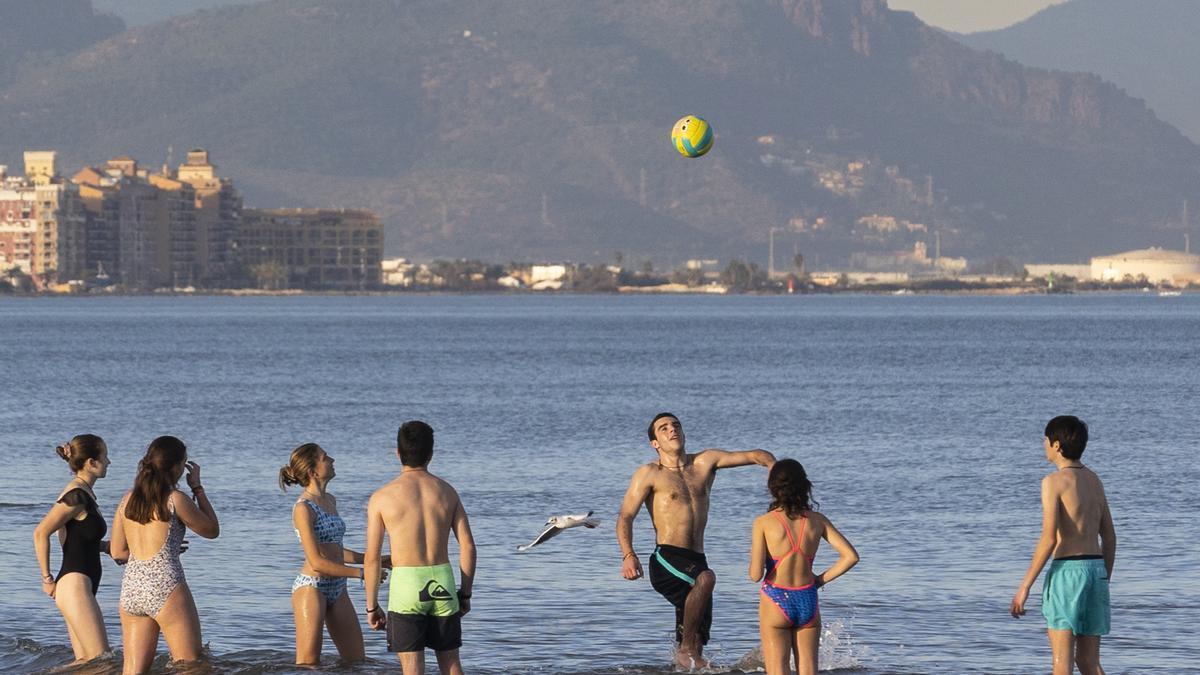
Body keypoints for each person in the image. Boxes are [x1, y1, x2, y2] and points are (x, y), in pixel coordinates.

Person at [617, 412, 775, 669]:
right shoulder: (649, 473)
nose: (672, 430)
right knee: (706, 579)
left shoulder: (704, 462)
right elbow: (625, 516)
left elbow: (756, 454)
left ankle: (686, 660)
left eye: (675, 425)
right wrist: (628, 555)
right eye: (664, 428)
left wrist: (772, 466)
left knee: (698, 637)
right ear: (655, 443)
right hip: (666, 558)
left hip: (696, 558)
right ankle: (686, 651)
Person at [365, 420, 475, 675]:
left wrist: (372, 606)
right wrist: (465, 594)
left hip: (407, 584)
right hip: (442, 581)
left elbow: (372, 558)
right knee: (451, 665)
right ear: (431, 454)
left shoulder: (382, 497)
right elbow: (468, 546)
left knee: (413, 669)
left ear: (398, 453)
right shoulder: (447, 492)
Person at [1010, 416, 1116, 675]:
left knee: (1062, 662)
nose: (1043, 445)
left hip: (1067, 573)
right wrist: (1103, 579)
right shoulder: (1094, 480)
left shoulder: (1052, 483)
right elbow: (1110, 538)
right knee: (1089, 662)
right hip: (1095, 570)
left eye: (1045, 441)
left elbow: (1049, 539)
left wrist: (1025, 586)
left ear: (1056, 445)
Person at [110, 436, 220, 674]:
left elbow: (117, 551)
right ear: (177, 467)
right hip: (165, 585)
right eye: (184, 463)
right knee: (190, 664)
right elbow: (211, 530)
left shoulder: (127, 499)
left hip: (131, 588)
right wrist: (198, 488)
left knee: (133, 670)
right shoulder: (175, 499)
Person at [279, 442, 391, 666]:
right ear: (313, 471)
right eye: (325, 457)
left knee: (356, 661)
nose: (332, 460)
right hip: (312, 586)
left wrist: (373, 560)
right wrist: (362, 574)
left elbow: (334, 550)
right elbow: (317, 561)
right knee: (308, 664)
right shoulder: (304, 508)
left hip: (338, 587)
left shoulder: (330, 500)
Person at [749, 459, 859, 675]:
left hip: (775, 599)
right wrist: (819, 580)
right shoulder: (818, 520)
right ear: (804, 485)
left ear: (773, 487)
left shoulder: (763, 522)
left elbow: (755, 575)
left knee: (777, 671)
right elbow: (851, 556)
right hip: (808, 598)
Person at [32, 435, 115, 663]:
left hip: (80, 584)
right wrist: (47, 579)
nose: (109, 462)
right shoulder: (76, 495)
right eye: (105, 456)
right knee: (103, 660)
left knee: (86, 663)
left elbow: (77, 539)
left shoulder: (84, 494)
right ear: (91, 462)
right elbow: (41, 533)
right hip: (74, 586)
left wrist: (107, 547)